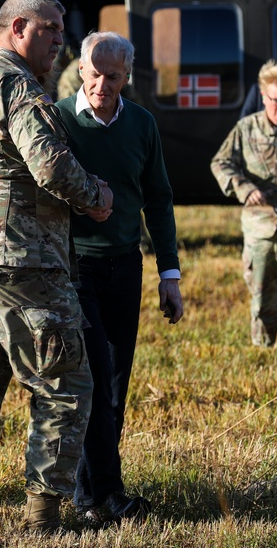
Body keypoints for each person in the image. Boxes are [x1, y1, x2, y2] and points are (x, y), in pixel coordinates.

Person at [0, 0, 113, 531]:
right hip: (19, 261)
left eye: (61, 30)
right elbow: (51, 167)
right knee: (64, 381)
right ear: (15, 29)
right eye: (50, 29)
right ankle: (44, 515)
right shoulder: (17, 85)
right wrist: (97, 197)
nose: (61, 40)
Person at [53, 31, 184, 525]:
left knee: (116, 380)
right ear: (81, 70)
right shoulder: (59, 120)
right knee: (91, 380)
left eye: (113, 76)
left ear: (127, 77)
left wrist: (169, 274)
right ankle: (99, 494)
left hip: (126, 264)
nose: (102, 84)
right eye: (95, 72)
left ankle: (94, 490)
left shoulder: (143, 125)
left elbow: (159, 199)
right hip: (75, 265)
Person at [212, 60, 277, 347]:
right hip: (260, 228)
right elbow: (221, 162)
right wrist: (243, 187)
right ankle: (266, 351)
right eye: (276, 101)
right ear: (264, 97)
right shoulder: (247, 129)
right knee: (263, 296)